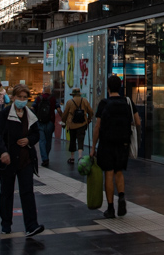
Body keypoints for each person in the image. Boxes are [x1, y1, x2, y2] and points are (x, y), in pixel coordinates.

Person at [0, 84, 45, 237]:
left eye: (25, 97)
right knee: (7, 193)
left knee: (28, 192)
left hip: (25, 159)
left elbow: (36, 134)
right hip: (8, 160)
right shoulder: (5, 114)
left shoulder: (30, 114)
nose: (22, 100)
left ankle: (31, 225)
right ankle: (6, 224)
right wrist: (3, 152)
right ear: (13, 97)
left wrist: (29, 140)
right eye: (19, 97)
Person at [91, 75, 140, 219]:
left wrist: (94, 146)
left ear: (108, 88)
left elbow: (97, 127)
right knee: (119, 172)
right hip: (123, 143)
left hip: (107, 143)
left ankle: (111, 208)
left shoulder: (104, 103)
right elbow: (137, 122)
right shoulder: (128, 102)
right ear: (120, 87)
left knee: (109, 173)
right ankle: (122, 197)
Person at [60, 87, 93, 166]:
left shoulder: (69, 102)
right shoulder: (84, 101)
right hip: (82, 124)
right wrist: (88, 119)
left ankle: (72, 158)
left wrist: (63, 122)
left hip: (72, 124)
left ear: (73, 94)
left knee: (72, 140)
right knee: (81, 140)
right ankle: (80, 157)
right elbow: (91, 112)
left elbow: (65, 114)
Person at [33, 85, 58, 167]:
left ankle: (44, 158)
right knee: (48, 140)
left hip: (39, 122)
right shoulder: (53, 98)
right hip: (50, 122)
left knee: (42, 141)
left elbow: (32, 107)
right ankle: (46, 156)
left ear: (43, 91)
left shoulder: (39, 98)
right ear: (50, 91)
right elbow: (58, 109)